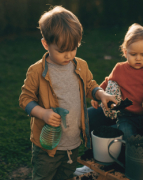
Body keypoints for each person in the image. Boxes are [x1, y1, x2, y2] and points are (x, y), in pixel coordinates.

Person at [19, 6, 117, 180]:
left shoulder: (80, 65)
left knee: (65, 176)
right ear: (45, 44)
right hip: (47, 146)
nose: (68, 55)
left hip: (73, 143)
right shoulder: (36, 71)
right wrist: (42, 113)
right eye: (62, 50)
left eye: (73, 48)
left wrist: (101, 94)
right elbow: (25, 99)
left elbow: (90, 85)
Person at [74, 23, 143, 176]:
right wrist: (98, 96)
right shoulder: (120, 68)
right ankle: (105, 163)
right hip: (126, 116)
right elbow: (106, 82)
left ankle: (134, 168)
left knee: (137, 145)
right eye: (133, 54)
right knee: (126, 133)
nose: (138, 58)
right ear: (125, 52)